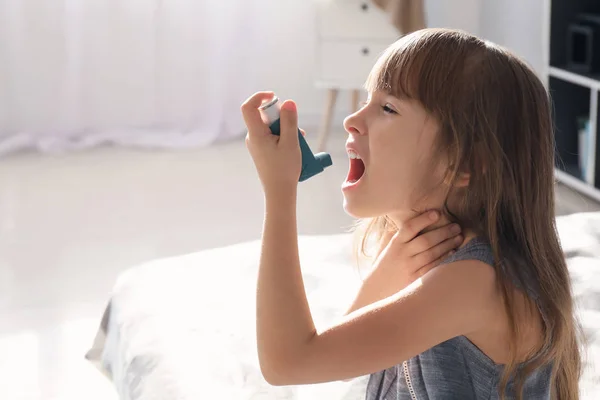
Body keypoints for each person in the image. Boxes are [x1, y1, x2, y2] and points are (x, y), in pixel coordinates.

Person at [241, 28, 582, 400]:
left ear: (464, 162)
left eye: (388, 107)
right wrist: (388, 274)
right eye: (369, 100)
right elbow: (339, 354)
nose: (351, 120)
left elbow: (288, 362)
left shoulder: (474, 284)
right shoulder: (427, 253)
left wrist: (279, 193)